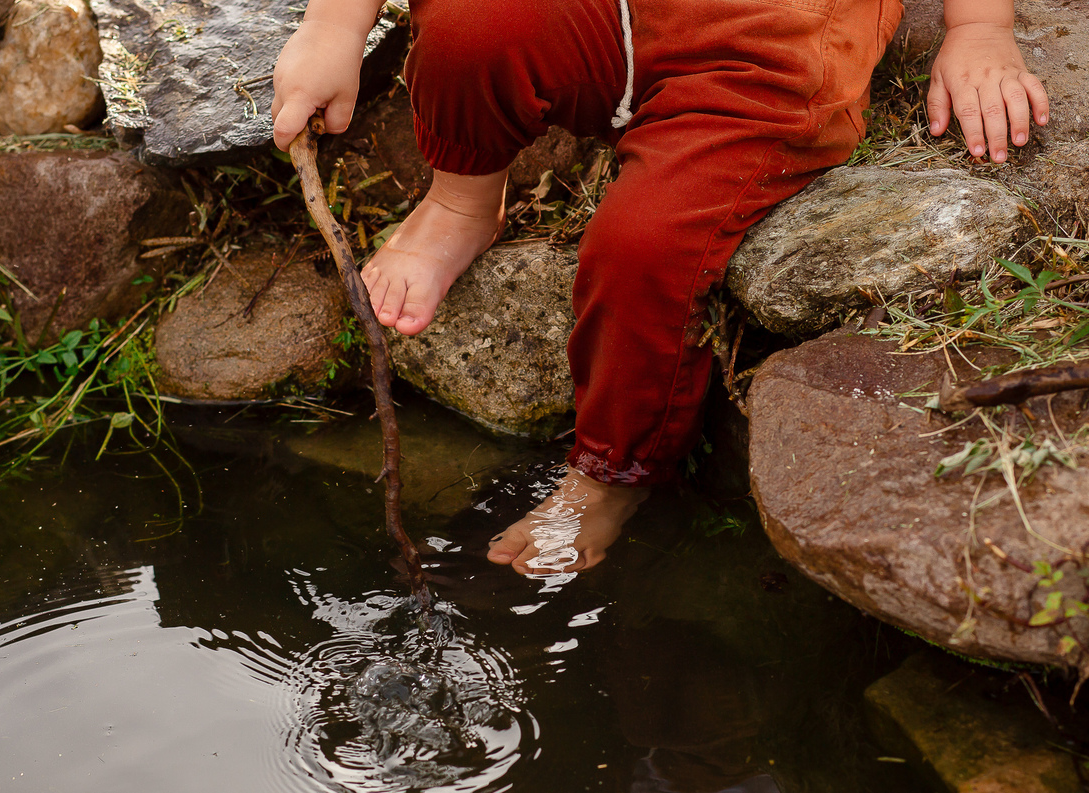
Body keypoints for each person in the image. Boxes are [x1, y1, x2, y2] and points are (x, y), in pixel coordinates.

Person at [272, 0, 1048, 578]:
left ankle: (612, 471)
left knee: (642, 245)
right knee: (474, 28)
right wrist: (335, 26)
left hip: (766, 51)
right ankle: (461, 201)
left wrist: (980, 27)